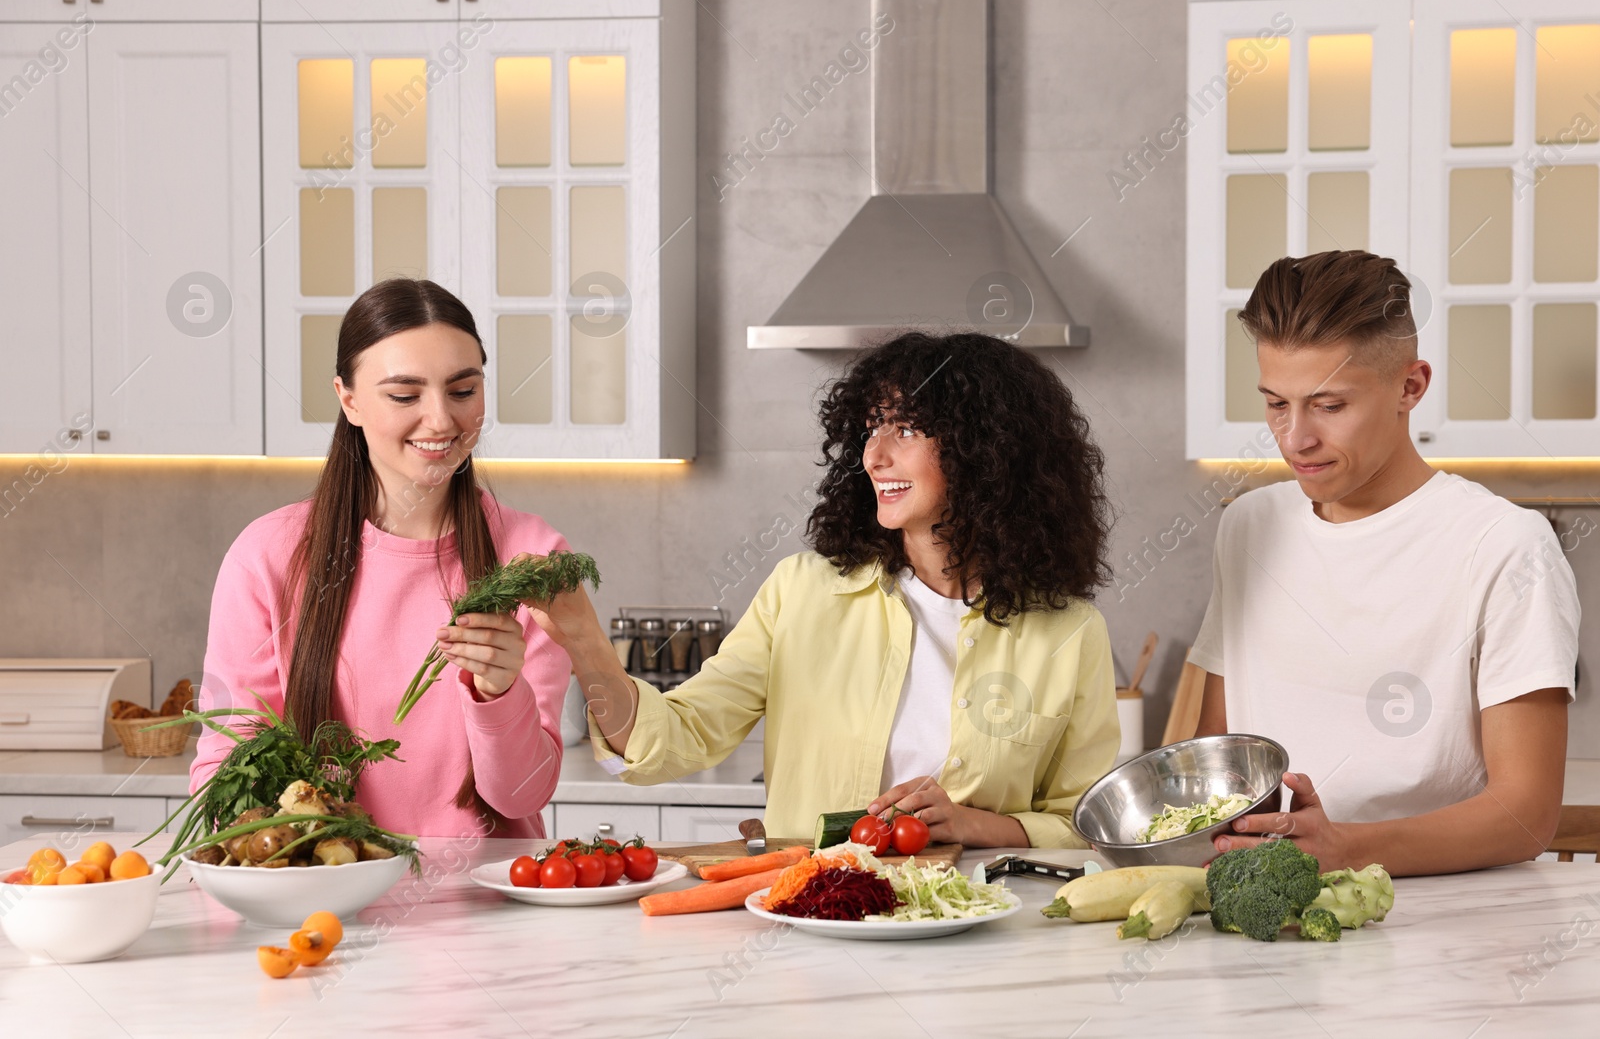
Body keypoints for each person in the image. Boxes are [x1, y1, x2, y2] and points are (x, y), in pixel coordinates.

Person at [530, 331, 1121, 848]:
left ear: (986, 452)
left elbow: (1084, 822)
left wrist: (975, 824)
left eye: (906, 429)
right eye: (870, 429)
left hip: (983, 920)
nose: (874, 455)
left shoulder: (1070, 631)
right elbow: (678, 738)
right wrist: (587, 647)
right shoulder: (800, 591)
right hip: (818, 913)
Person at [1193, 250, 1580, 876]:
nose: (1295, 439)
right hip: (1269, 908)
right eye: (1276, 404)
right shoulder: (1248, 526)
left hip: (1445, 925)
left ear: (1411, 386)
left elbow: (1525, 815)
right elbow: (1216, 753)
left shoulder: (1504, 544)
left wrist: (1345, 849)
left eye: (1329, 405)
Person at [190, 279, 572, 838]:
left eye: (463, 391)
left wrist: (499, 693)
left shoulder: (533, 560)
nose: (441, 420)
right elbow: (227, 774)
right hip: (323, 901)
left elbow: (520, 796)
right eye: (404, 395)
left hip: (487, 910)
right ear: (349, 399)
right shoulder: (265, 557)